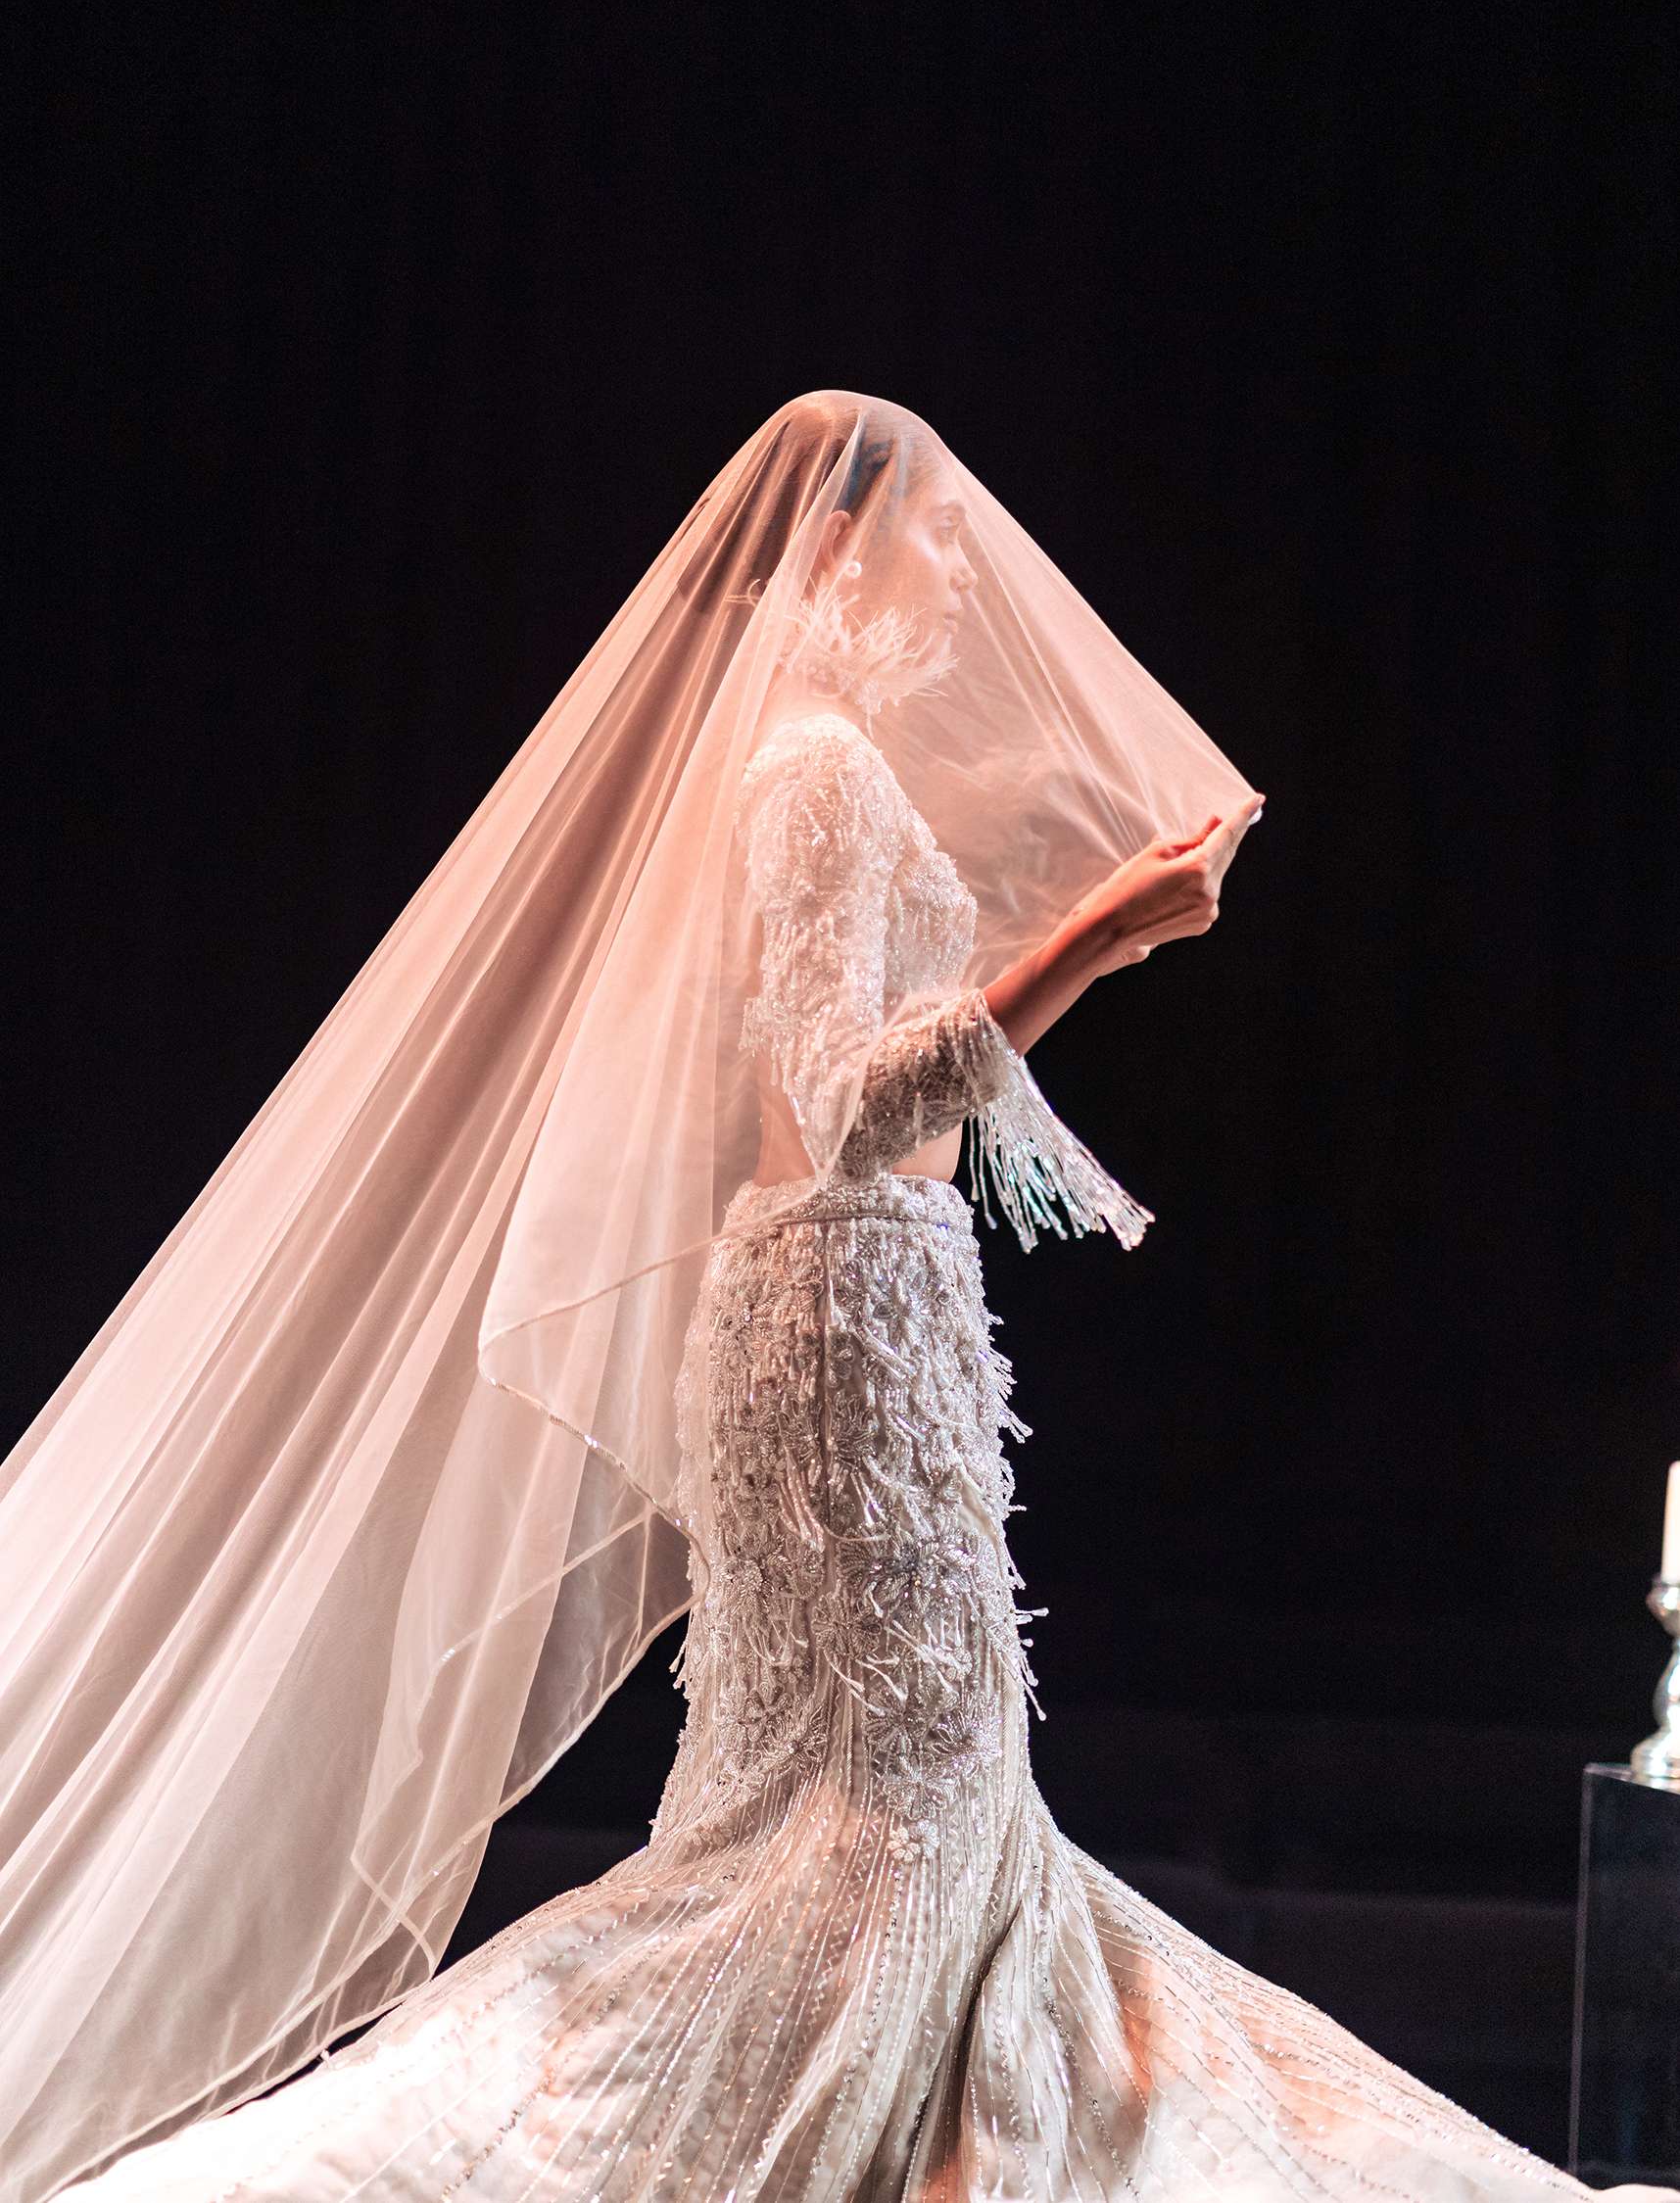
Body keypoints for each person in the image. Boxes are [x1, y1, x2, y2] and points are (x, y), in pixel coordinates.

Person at [5, 395, 1661, 2202]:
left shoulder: (814, 761)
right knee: (873, 1808)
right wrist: (1107, 927)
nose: (963, 557)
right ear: (842, 535)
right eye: (939, 524)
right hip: (837, 1313)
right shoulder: (809, 767)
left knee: (889, 1798)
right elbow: (847, 1095)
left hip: (865, 1298)